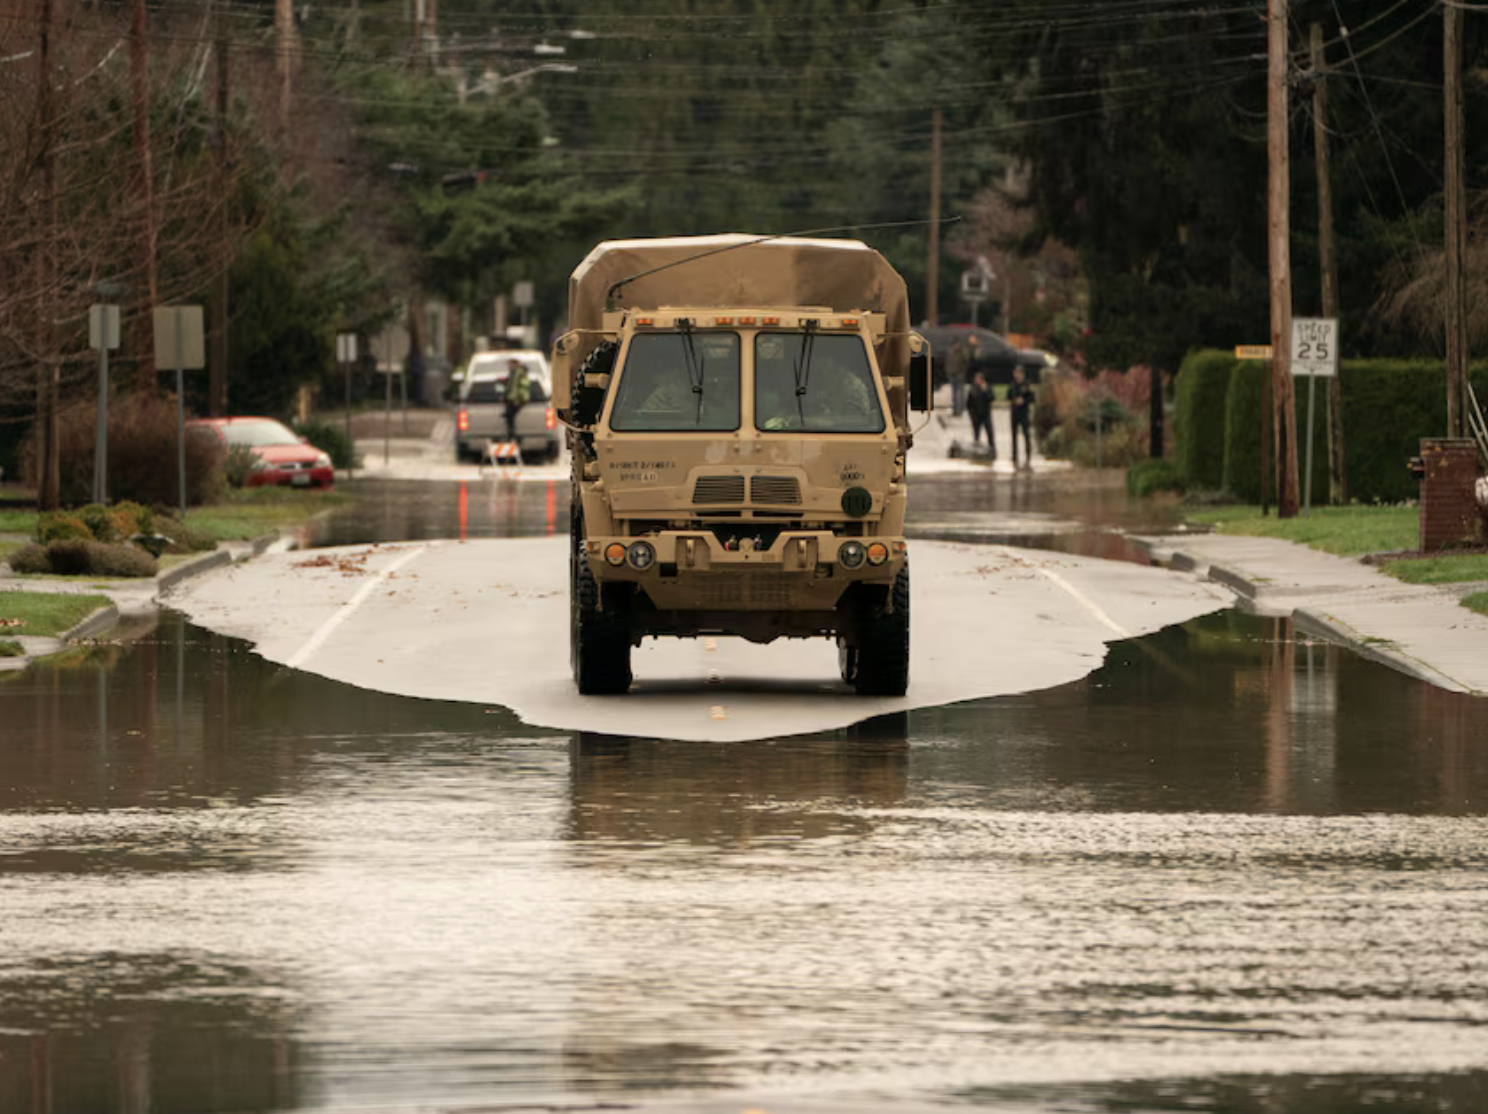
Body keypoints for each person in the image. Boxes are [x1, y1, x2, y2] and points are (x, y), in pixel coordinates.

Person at [1008, 365, 1035, 470]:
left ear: (1022, 374)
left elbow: (1032, 398)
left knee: (1026, 434)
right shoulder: (1012, 385)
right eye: (1016, 373)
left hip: (1024, 413)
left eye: (1019, 373)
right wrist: (1014, 400)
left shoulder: (1027, 385)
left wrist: (1024, 401)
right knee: (1013, 435)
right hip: (1014, 413)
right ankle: (1014, 456)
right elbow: (1008, 396)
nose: (1017, 375)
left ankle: (1028, 455)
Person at [965, 370, 994, 454]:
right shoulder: (972, 389)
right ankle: (976, 451)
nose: (977, 380)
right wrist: (971, 414)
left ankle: (992, 450)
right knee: (976, 434)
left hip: (986, 415)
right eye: (976, 378)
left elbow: (991, 398)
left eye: (979, 379)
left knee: (990, 433)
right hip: (976, 416)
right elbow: (969, 404)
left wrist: (986, 391)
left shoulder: (987, 387)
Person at [503, 357, 531, 441]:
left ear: (515, 364)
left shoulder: (519, 373)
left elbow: (520, 386)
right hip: (515, 398)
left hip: (520, 398)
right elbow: (510, 386)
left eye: (510, 364)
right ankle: (512, 434)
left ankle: (512, 435)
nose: (509, 366)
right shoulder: (514, 373)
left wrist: (517, 398)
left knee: (510, 415)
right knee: (509, 415)